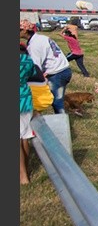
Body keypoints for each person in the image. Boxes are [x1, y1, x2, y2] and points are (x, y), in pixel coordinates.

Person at [20, 19, 72, 114]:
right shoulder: (41, 37)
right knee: (57, 99)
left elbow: (35, 68)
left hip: (57, 73)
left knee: (57, 101)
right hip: (64, 69)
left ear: (24, 30)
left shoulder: (34, 45)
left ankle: (62, 125)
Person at [20, 43, 46, 185]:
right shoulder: (28, 61)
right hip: (25, 101)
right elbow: (35, 77)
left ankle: (23, 177)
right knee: (24, 137)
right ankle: (25, 169)